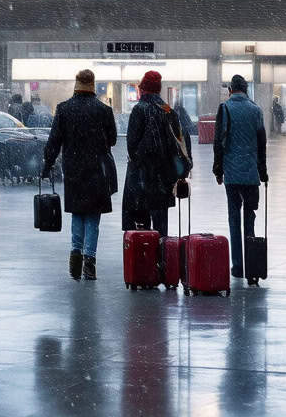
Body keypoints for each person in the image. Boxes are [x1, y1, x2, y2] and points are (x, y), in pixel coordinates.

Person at [42, 69, 117, 281]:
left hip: (73, 169)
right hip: (97, 170)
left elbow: (54, 141)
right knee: (93, 216)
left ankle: (75, 257)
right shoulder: (103, 111)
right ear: (93, 85)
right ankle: (89, 262)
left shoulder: (64, 109)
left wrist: (48, 163)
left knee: (78, 213)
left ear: (76, 84)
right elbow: (112, 140)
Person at [122, 71, 190, 239]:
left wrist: (141, 157)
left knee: (142, 228)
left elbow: (131, 146)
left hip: (141, 179)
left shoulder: (139, 110)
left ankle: (146, 260)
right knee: (161, 228)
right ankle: (162, 259)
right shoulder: (168, 111)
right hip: (163, 179)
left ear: (144, 89)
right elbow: (179, 143)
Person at [213, 75, 267, 283]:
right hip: (251, 175)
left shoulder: (224, 109)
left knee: (234, 219)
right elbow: (261, 145)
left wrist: (218, 170)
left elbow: (219, 142)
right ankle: (252, 270)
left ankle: (237, 266)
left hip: (232, 175)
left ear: (230, 90)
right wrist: (263, 171)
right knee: (250, 219)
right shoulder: (256, 110)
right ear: (246, 90)